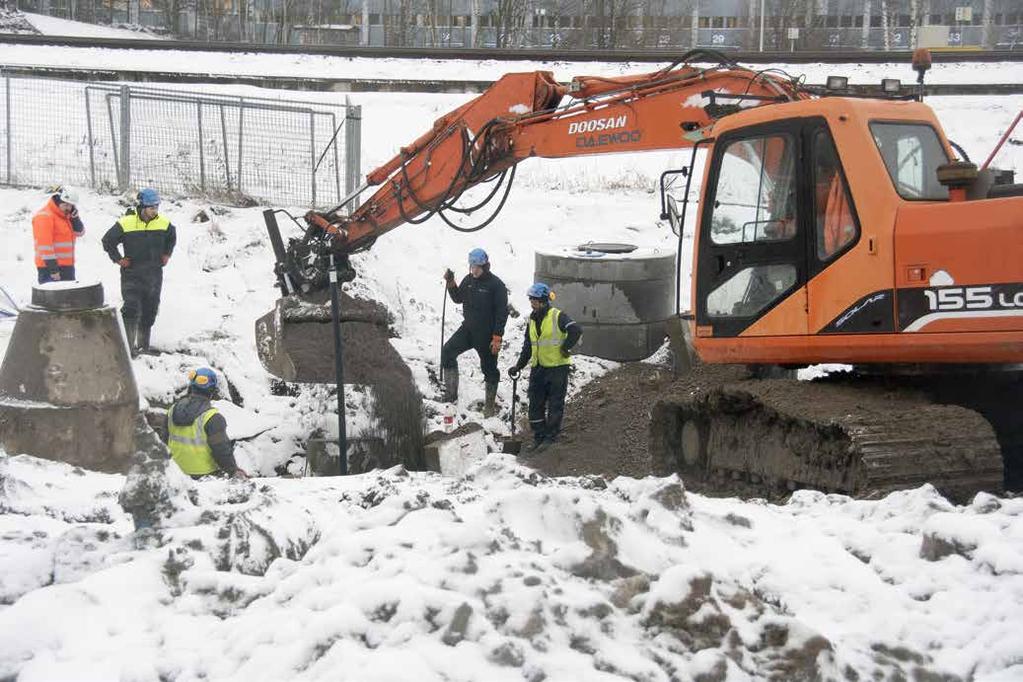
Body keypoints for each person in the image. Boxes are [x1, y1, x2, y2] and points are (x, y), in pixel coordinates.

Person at [507, 282, 582, 453]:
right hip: (539, 369)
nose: (532, 303)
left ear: (543, 301)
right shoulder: (532, 321)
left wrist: (565, 347)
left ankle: (551, 437)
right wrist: (518, 366)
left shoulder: (558, 316)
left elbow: (576, 330)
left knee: (555, 404)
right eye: (531, 300)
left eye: (535, 300)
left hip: (557, 368)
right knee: (535, 404)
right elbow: (528, 347)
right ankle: (539, 436)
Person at [101, 188, 176, 356]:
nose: (154, 211)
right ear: (142, 207)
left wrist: (166, 254)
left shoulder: (163, 223)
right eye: (151, 208)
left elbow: (172, 236)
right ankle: (128, 348)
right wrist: (118, 259)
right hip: (132, 274)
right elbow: (108, 241)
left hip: (154, 274)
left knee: (150, 309)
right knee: (131, 308)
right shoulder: (126, 223)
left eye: (156, 207)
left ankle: (144, 347)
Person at [441, 247, 508, 417]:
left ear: (485, 266)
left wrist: (497, 337)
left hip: (487, 336)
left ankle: (490, 406)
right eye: (472, 266)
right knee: (447, 352)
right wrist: (451, 283)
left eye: (477, 267)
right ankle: (450, 396)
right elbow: (458, 298)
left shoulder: (496, 285)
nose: (474, 270)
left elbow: (502, 313)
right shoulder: (469, 280)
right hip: (468, 329)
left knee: (490, 370)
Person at [167, 367, 246, 479]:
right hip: (205, 476)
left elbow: (164, 440)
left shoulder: (172, 410)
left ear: (191, 387)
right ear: (212, 391)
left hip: (177, 474)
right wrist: (233, 471)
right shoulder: (212, 418)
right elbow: (221, 450)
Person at [32, 185, 85, 284]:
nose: (68, 208)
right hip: (50, 269)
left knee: (68, 299)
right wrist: (53, 270)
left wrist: (75, 219)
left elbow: (80, 232)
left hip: (67, 267)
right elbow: (45, 246)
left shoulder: (65, 216)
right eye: (65, 205)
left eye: (71, 205)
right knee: (53, 299)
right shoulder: (44, 216)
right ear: (57, 201)